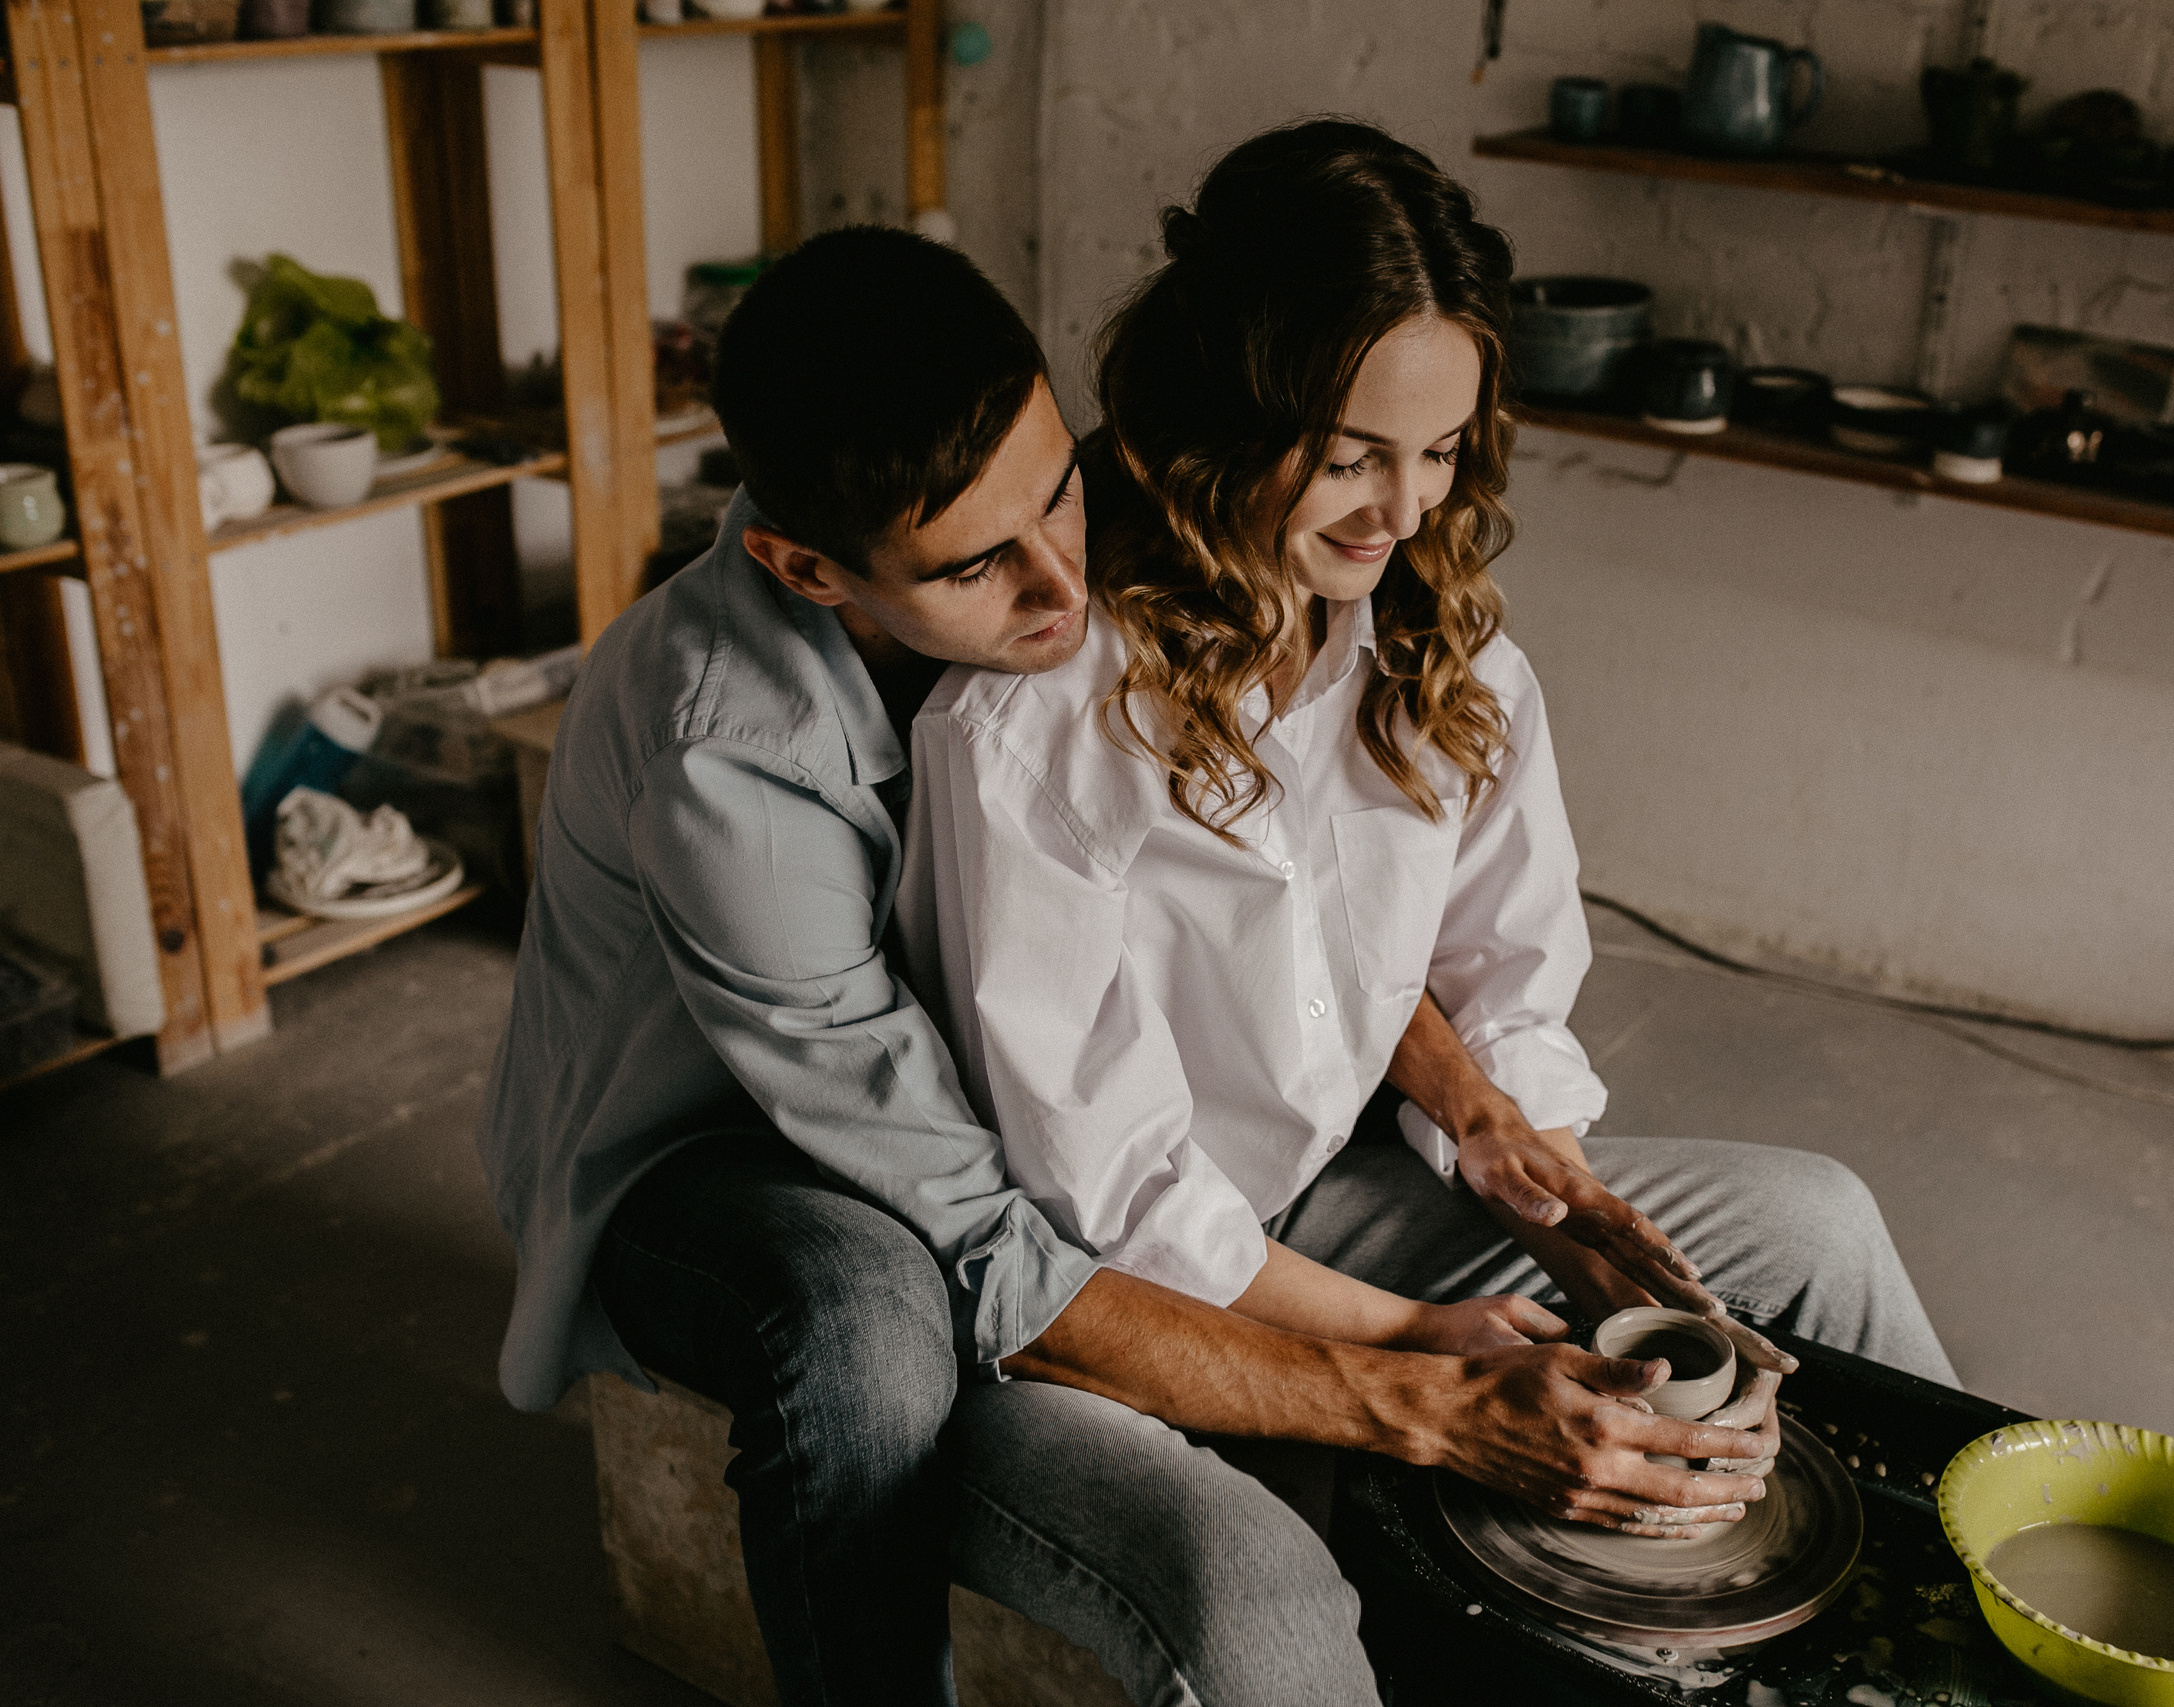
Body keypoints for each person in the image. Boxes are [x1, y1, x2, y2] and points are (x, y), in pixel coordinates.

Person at [477, 223, 1874, 1707]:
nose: (1062, 588)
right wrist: (1421, 1391)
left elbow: (1311, 932)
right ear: (805, 567)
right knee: (868, 1324)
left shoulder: (1174, 580)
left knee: (1813, 1228)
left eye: (1059, 498)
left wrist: (1488, 1121)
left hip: (1037, 1133)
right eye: (975, 567)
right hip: (738, 1156)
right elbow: (989, 1231)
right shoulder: (733, 762)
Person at [899, 118, 1959, 1697]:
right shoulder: (1039, 731)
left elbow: (1465, 975)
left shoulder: (1442, 661)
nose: (1402, 512)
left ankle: (1950, 1635)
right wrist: (1415, 1345)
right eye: (1350, 454)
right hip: (1102, 1302)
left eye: (1444, 451)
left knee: (1818, 1224)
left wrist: (1534, 1167)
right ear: (1221, 413)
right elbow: (1112, 1202)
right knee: (1267, 1624)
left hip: (1311, 1198)